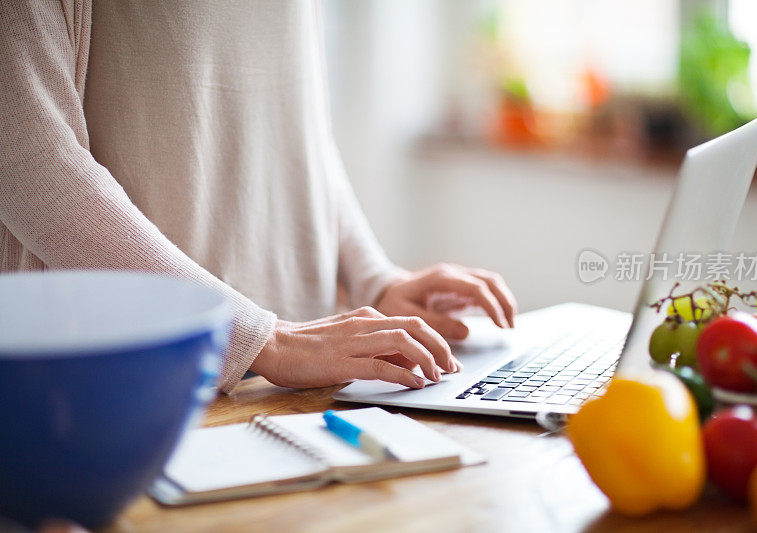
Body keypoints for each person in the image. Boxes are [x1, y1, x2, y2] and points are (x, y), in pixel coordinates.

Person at [0, 1, 517, 394]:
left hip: (305, 378)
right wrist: (259, 339)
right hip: (128, 382)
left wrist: (374, 281)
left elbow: (295, 128)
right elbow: (25, 155)